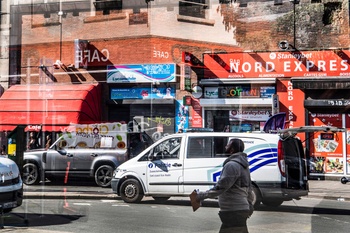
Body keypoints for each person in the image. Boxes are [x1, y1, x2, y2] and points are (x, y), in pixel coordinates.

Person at [195, 138, 254, 233]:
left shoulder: (232, 165)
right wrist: (249, 204)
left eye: (228, 145)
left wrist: (201, 196)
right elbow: (249, 188)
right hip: (239, 210)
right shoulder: (243, 165)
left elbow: (221, 187)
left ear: (232, 149)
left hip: (233, 211)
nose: (225, 146)